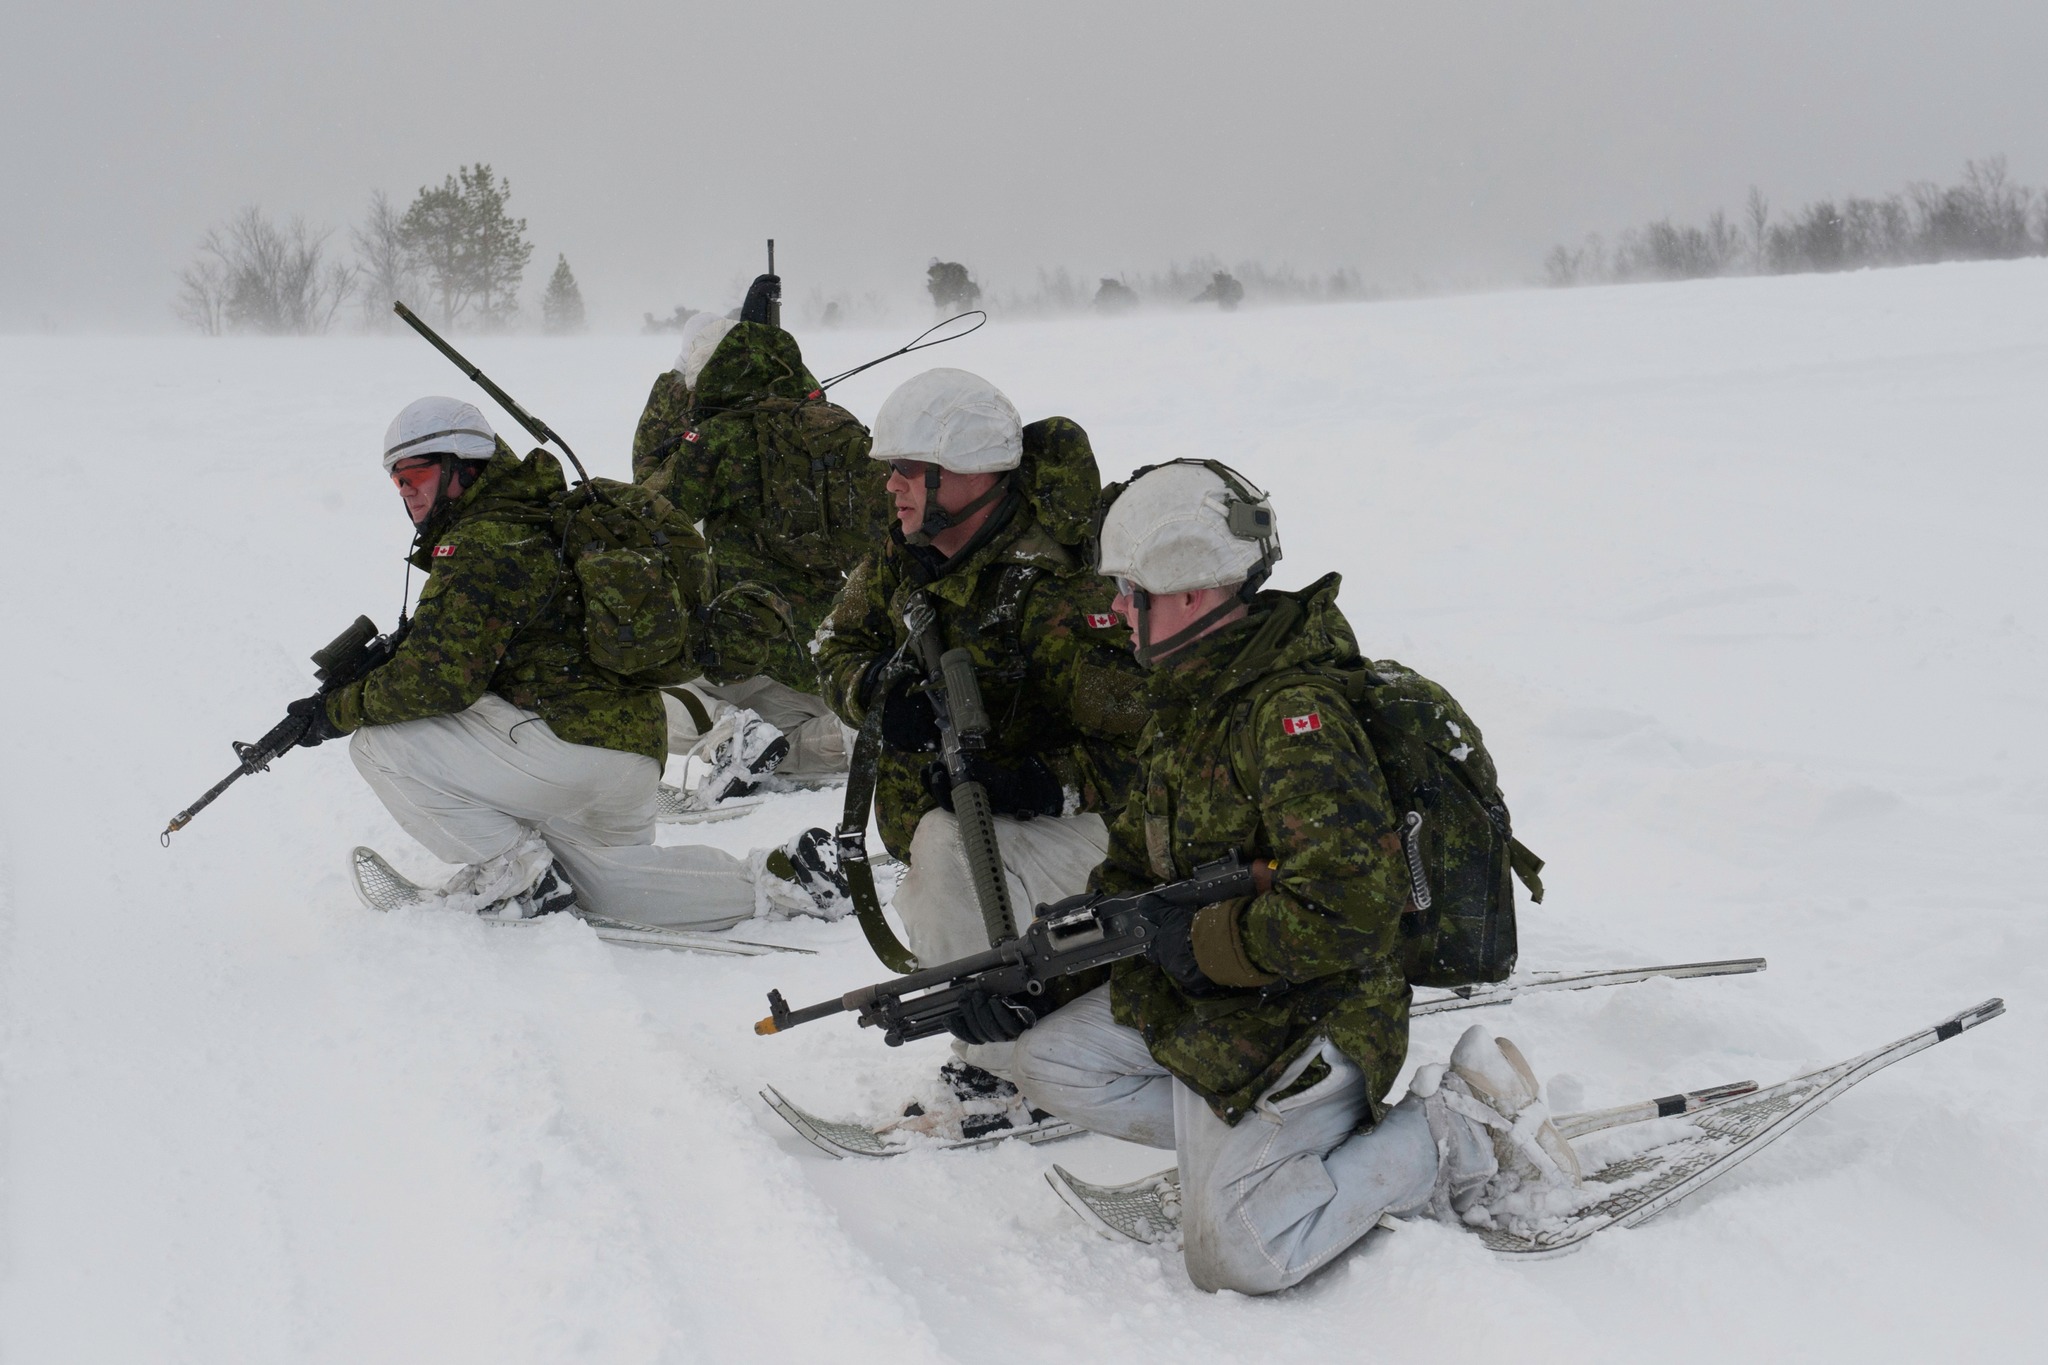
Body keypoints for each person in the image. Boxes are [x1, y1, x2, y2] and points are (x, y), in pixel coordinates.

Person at [1005, 461, 1581, 1294]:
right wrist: (1049, 966)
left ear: (1194, 592)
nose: (1119, 611)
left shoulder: (1287, 715)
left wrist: (1204, 946)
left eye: (1133, 592)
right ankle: (1263, 1150)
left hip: (1322, 1001)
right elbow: (1137, 870)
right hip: (1232, 999)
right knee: (1051, 1060)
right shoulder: (1187, 698)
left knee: (1238, 1255)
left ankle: (1458, 1124)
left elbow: (1352, 910)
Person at [294, 396, 851, 928]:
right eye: (396, 481)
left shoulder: (486, 540)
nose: (405, 493)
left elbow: (438, 680)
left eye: (413, 476)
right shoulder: (543, 520)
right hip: (630, 755)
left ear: (462, 467)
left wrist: (335, 710)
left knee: (377, 744)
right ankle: (784, 882)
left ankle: (511, 875)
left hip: (568, 750)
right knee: (607, 888)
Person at [810, 369, 1150, 1084]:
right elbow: (832, 646)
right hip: (1002, 834)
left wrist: (1041, 783)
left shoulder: (1058, 591)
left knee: (947, 855)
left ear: (963, 475)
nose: (891, 485)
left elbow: (1159, 754)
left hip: (1120, 839)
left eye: (908, 469)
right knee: (945, 860)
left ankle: (1000, 1069)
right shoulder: (911, 554)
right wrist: (872, 687)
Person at [632, 285, 886, 809]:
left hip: (740, 636)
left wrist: (678, 392)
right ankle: (855, 738)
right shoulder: (838, 433)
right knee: (807, 726)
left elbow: (648, 504)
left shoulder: (717, 440)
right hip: (820, 643)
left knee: (644, 696)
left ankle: (730, 737)